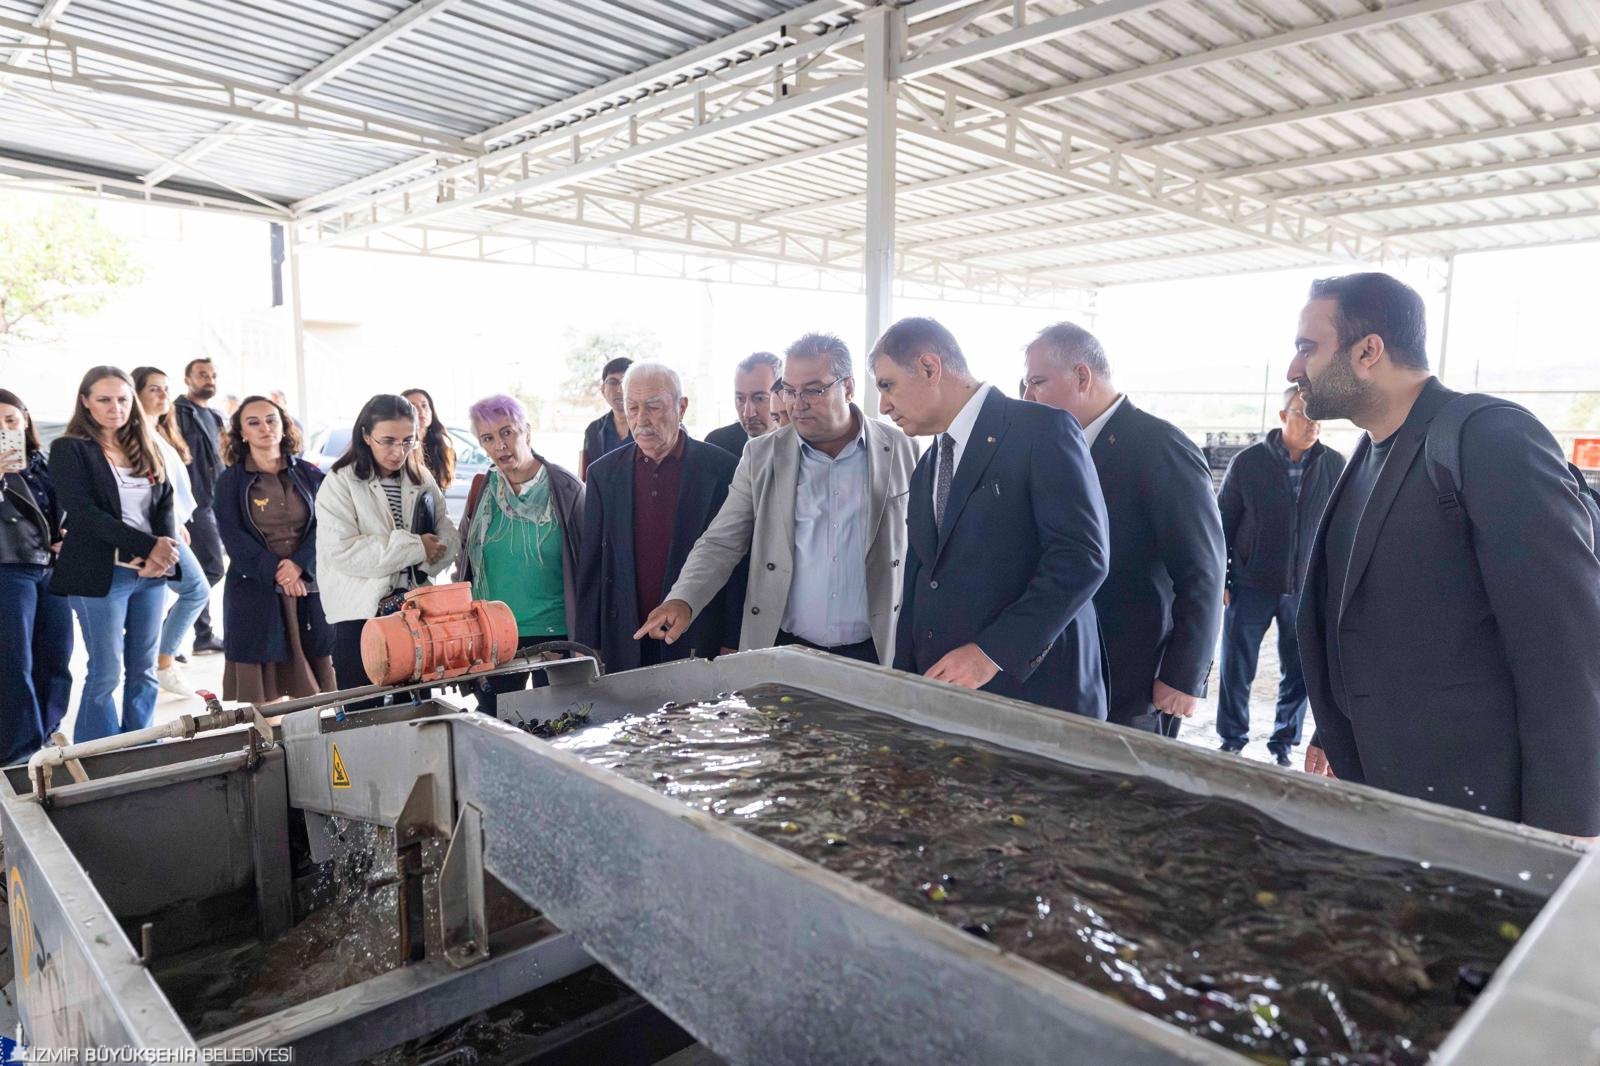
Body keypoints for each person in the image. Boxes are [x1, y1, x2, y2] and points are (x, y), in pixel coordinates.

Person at [1291, 272, 1600, 837]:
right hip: (1393, 793)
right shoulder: (1367, 453)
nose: (1293, 369)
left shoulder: (1488, 437)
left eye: (1307, 347)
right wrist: (1335, 728)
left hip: (1481, 805)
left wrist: (1565, 829)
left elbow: (1566, 646)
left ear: (1368, 351)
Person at [873, 317, 1110, 718]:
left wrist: (992, 653)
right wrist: (904, 682)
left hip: (1035, 699)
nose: (882, 405)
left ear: (930, 368)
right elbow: (920, 580)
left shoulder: (1041, 430)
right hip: (949, 698)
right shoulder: (928, 464)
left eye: (887, 384)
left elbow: (1080, 558)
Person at [637, 333, 915, 665]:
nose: (798, 403)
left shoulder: (900, 449)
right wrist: (683, 599)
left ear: (849, 387)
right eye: (789, 390)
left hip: (874, 650)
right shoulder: (762, 455)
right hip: (785, 648)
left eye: (813, 390)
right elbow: (721, 542)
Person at [1022, 323, 1224, 736]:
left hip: (1135, 671)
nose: (1028, 397)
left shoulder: (1158, 446)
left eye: (1038, 383)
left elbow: (1203, 568)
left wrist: (1183, 675)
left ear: (1082, 376)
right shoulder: (1058, 448)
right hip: (1068, 665)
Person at [580, 363, 743, 671]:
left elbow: (736, 563)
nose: (642, 420)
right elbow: (593, 565)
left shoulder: (723, 470)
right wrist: (589, 643)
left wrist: (732, 640)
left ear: (681, 407)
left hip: (699, 634)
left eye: (654, 407)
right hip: (626, 636)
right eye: (633, 408)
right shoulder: (603, 474)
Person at [49, 367, 182, 742]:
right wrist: (148, 547)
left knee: (143, 668)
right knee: (106, 671)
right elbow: (86, 514)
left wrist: (164, 550)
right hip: (101, 574)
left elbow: (165, 502)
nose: (115, 408)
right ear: (85, 402)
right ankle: (98, 754)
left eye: (123, 399)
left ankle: (140, 744)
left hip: (150, 576)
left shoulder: (146, 444)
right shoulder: (69, 448)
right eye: (104, 399)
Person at [1216, 385, 1346, 764]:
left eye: (1319, 416)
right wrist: (1223, 579)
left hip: (1305, 591)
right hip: (1250, 584)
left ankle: (1283, 743)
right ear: (1283, 416)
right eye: (1305, 414)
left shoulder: (1335, 465)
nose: (1314, 424)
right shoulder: (1248, 462)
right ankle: (1232, 738)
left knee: (1300, 672)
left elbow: (1342, 531)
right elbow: (1223, 522)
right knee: (1236, 667)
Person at [316, 394, 459, 695]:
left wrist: (426, 555)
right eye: (388, 440)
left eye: (408, 441)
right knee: (362, 716)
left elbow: (448, 536)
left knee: (417, 712)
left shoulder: (421, 478)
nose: (398, 451)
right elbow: (343, 552)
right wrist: (416, 548)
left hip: (416, 614)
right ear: (366, 435)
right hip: (359, 617)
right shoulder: (340, 482)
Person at [456, 394, 583, 715]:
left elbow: (590, 565)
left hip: (555, 635)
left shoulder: (566, 488)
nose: (499, 445)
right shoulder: (481, 490)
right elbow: (464, 560)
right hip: (494, 635)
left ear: (527, 431)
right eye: (488, 438)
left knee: (559, 726)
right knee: (496, 726)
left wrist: (587, 640)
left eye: (507, 432)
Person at [215, 395, 335, 703]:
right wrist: (277, 572)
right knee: (264, 693)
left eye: (271, 420)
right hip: (256, 586)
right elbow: (233, 538)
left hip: (309, 585)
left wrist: (298, 565)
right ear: (242, 433)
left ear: (284, 426)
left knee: (321, 681)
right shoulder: (230, 482)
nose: (264, 428)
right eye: (253, 422)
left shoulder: (310, 475)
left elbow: (328, 525)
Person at [0, 389, 71, 764]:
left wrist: (66, 536)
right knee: (14, 663)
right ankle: (17, 751)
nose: (6, 430)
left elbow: (61, 513)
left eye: (11, 421)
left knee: (57, 657)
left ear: (25, 420)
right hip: (7, 568)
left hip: (49, 568)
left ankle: (45, 734)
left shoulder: (43, 463)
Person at [132, 366, 212, 699]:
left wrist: (178, 522)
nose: (164, 395)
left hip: (171, 528)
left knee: (191, 590)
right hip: (154, 534)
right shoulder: (137, 436)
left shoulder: (160, 432)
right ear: (135, 393)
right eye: (154, 389)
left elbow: (170, 489)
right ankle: (163, 663)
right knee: (196, 589)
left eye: (165, 389)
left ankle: (160, 662)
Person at [173, 357, 226, 655]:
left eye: (213, 375)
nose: (210, 380)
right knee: (212, 568)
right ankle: (177, 626)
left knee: (207, 568)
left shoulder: (216, 416)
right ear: (187, 379)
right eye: (203, 375)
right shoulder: (178, 413)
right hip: (194, 503)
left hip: (216, 501)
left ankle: (202, 634)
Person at [705, 351, 782, 457]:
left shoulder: (804, 446)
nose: (748, 413)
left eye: (760, 398)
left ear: (783, 395)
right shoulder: (716, 445)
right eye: (740, 399)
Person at [579, 357, 633, 480]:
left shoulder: (649, 427)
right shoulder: (593, 431)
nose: (620, 390)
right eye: (613, 382)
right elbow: (588, 478)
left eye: (626, 383)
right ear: (603, 389)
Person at [403, 387, 456, 491]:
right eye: (413, 406)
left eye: (424, 405)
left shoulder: (443, 445)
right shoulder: (400, 447)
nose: (421, 411)